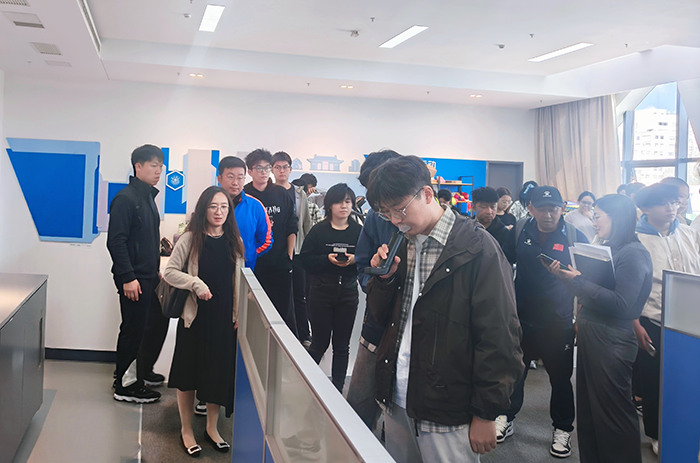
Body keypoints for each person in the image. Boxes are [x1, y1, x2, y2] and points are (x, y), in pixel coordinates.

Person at [366, 155, 524, 463]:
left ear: (427, 194)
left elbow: (500, 335)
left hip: (448, 407)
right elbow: (381, 317)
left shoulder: (477, 247)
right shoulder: (402, 241)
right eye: (386, 213)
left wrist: (486, 412)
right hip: (397, 395)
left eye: (399, 209)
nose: (395, 220)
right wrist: (383, 280)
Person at [546, 194, 653, 463]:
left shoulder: (633, 253)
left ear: (617, 218)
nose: (594, 222)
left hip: (612, 339)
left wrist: (580, 280)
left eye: (598, 217)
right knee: (591, 410)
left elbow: (623, 304)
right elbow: (592, 294)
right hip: (594, 335)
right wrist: (566, 278)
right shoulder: (609, 248)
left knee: (613, 413)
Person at [501, 186, 588, 458]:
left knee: (560, 378)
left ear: (562, 208)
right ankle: (506, 416)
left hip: (558, 320)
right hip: (522, 317)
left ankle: (562, 428)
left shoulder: (575, 236)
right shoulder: (519, 231)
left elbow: (589, 280)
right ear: (531, 209)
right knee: (515, 372)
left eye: (553, 208)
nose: (548, 214)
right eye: (541, 208)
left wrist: (580, 315)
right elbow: (503, 263)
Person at [164, 186, 244, 456]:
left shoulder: (234, 240)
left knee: (216, 375)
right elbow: (170, 272)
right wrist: (195, 283)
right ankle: (186, 430)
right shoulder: (191, 238)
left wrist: (238, 313)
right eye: (213, 206)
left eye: (224, 207)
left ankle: (212, 428)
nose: (219, 212)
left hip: (223, 319)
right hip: (195, 318)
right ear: (203, 209)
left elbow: (238, 281)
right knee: (188, 374)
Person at [633, 183, 700, 456]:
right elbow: (629, 286)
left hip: (690, 320)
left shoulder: (687, 232)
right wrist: (635, 323)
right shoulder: (636, 239)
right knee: (654, 382)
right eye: (664, 203)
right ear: (646, 208)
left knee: (687, 378)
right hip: (653, 320)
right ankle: (656, 433)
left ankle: (686, 427)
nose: (672, 208)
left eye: (674, 202)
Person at [346, 149, 400, 434]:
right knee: (359, 403)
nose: (376, 202)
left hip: (417, 330)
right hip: (377, 323)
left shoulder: (426, 219)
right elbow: (363, 264)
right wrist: (377, 286)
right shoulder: (375, 218)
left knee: (402, 416)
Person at [107, 144, 167, 404]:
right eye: (153, 165)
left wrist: (156, 270)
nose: (158, 171)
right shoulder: (126, 199)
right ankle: (126, 386)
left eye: (161, 166)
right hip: (134, 278)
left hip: (148, 276)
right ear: (138, 166)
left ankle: (140, 371)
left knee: (155, 323)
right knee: (134, 329)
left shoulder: (148, 198)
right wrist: (128, 277)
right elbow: (116, 242)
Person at [299, 183, 362, 392]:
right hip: (321, 292)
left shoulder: (359, 231)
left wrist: (355, 259)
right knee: (319, 343)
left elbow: (368, 260)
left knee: (342, 346)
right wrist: (327, 259)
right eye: (339, 202)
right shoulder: (319, 231)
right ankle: (304, 385)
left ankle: (337, 391)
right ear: (329, 205)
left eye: (348, 202)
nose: (344, 206)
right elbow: (305, 260)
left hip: (348, 293)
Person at [244, 149, 299, 336]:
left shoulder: (281, 193)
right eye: (258, 168)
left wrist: (289, 255)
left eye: (267, 167)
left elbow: (292, 225)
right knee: (252, 312)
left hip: (279, 263)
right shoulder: (245, 195)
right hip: (253, 264)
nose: (263, 172)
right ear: (250, 171)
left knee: (283, 311)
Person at [272, 151, 313, 346]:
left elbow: (306, 223)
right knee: (278, 293)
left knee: (299, 294)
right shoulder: (269, 192)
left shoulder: (299, 193)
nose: (282, 171)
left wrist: (307, 251)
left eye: (285, 167)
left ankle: (303, 334)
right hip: (274, 251)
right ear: (272, 170)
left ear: (290, 169)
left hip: (297, 252)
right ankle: (279, 332)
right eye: (277, 167)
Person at [217, 156, 272, 269]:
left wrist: (249, 255)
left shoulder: (255, 206)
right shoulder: (208, 204)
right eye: (230, 177)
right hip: (213, 268)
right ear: (219, 178)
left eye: (240, 178)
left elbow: (266, 241)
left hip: (243, 269)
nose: (235, 182)